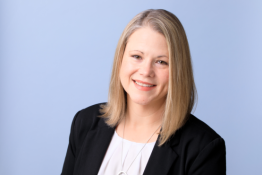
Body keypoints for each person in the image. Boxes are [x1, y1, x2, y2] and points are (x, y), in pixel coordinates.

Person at [61, 9, 226, 175]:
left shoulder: (203, 148)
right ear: (121, 59)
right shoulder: (84, 123)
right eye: (137, 56)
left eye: (161, 61)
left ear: (178, 71)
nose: (146, 71)